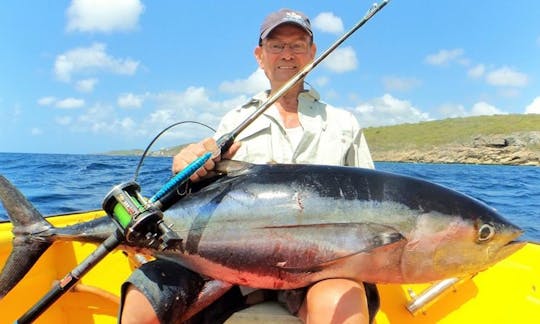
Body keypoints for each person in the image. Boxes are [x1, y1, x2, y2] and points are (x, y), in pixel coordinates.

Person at [120, 8, 378, 324]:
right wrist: (189, 169)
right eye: (276, 46)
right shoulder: (235, 121)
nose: (287, 54)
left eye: (297, 45)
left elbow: (373, 204)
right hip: (232, 261)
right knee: (142, 302)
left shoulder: (343, 123)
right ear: (260, 55)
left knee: (340, 302)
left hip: (322, 265)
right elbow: (209, 190)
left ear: (312, 54)